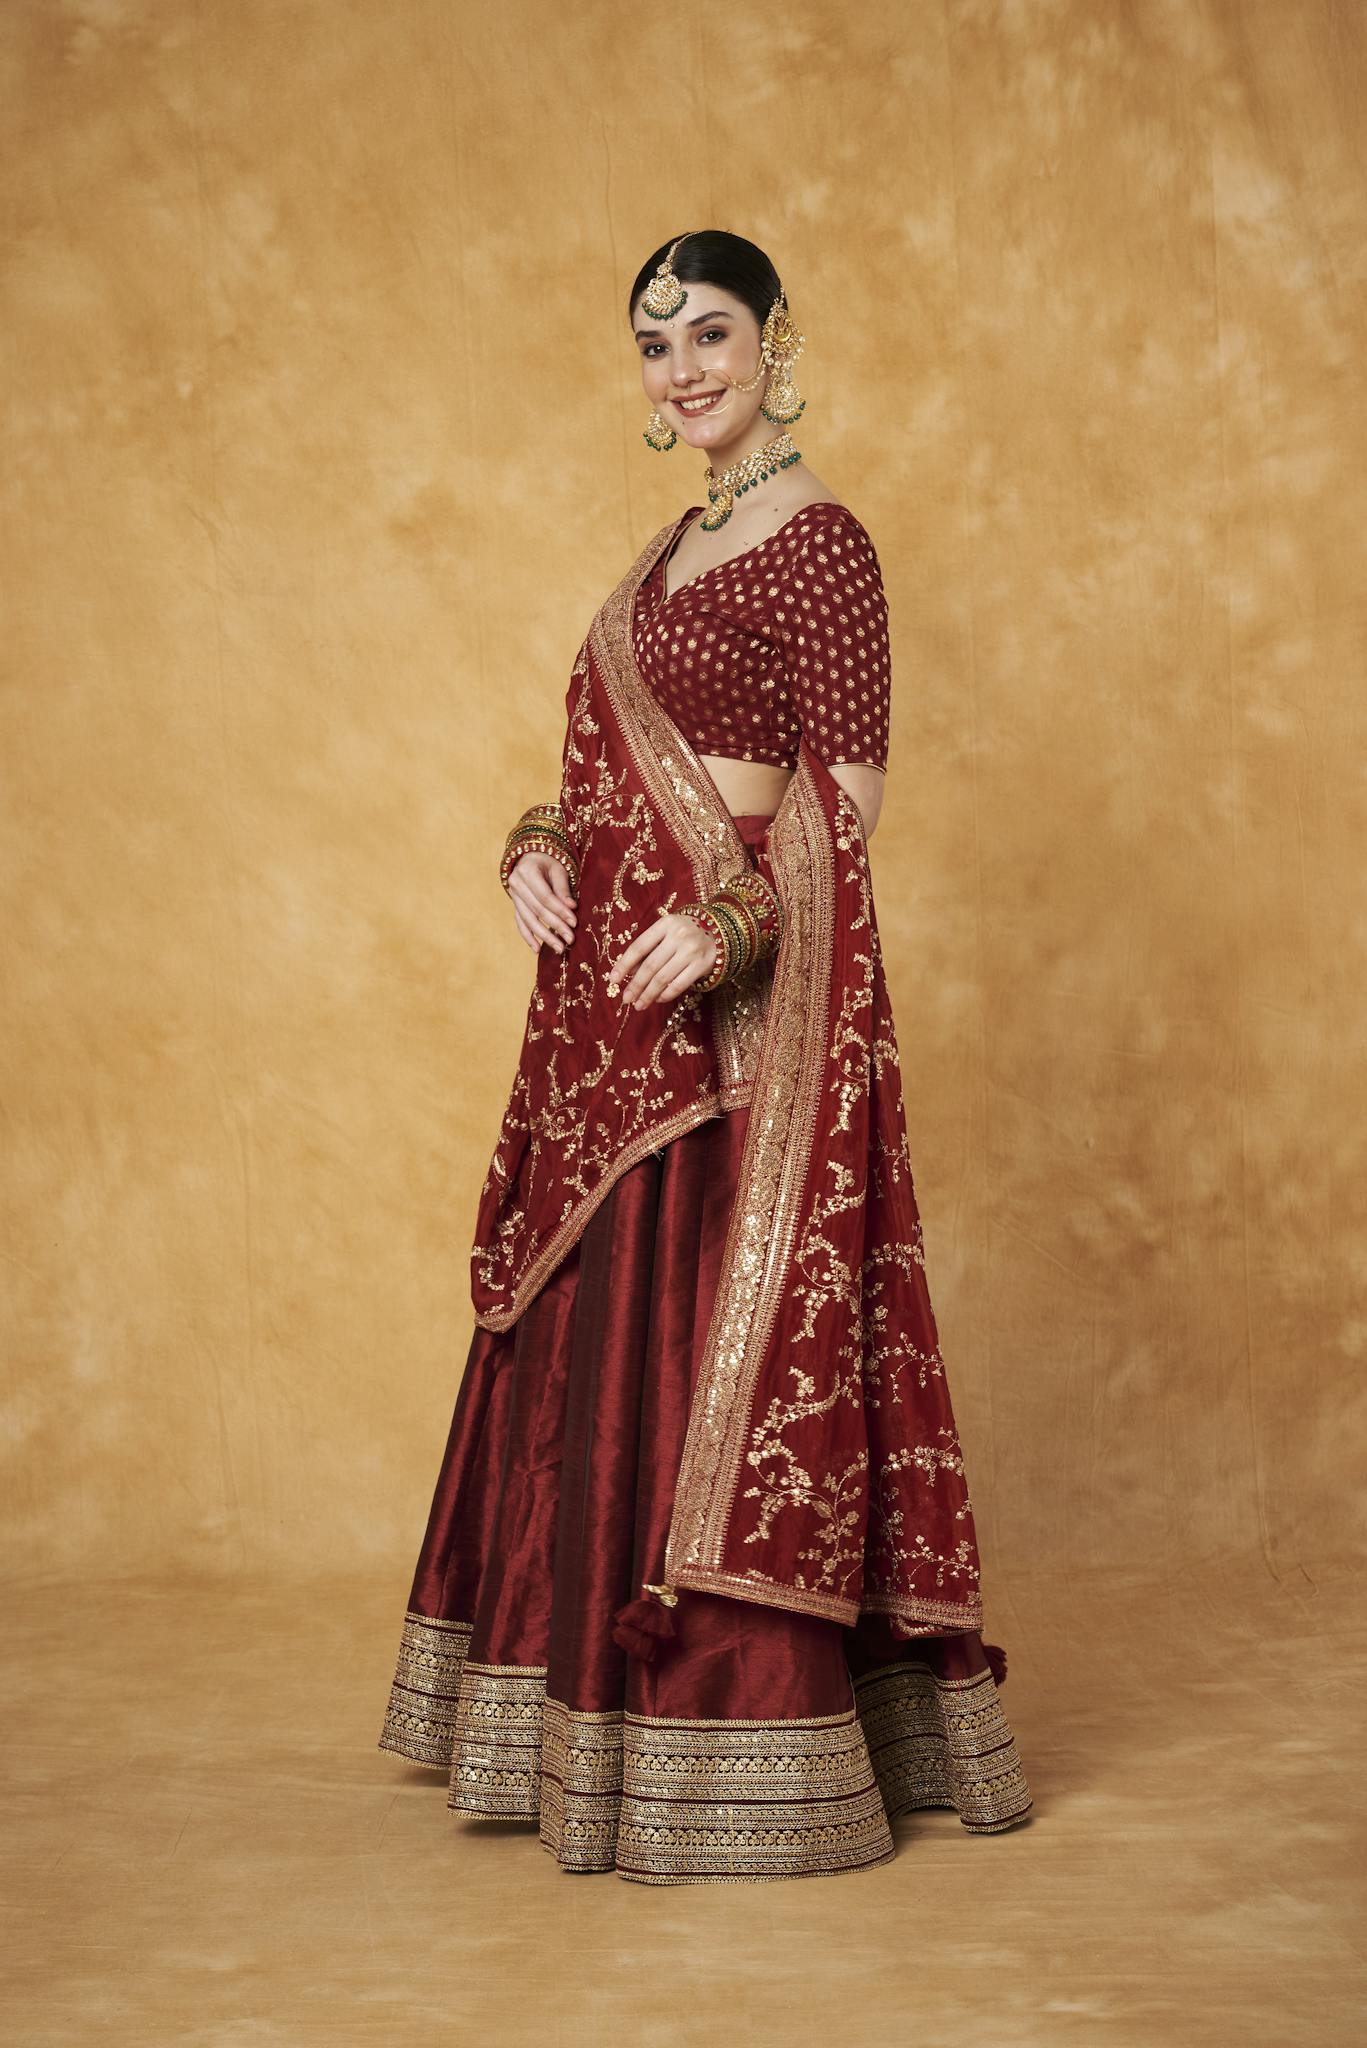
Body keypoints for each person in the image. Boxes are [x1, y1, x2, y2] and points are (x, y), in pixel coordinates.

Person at [378, 229, 1033, 1885]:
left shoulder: (825, 546)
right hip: (610, 1009)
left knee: (706, 1333)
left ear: (774, 341)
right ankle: (569, 1714)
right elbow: (587, 769)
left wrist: (736, 932)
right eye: (654, 345)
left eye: (711, 333)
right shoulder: (666, 551)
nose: (682, 369)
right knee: (598, 1354)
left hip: (736, 1020)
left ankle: (739, 1734)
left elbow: (847, 809)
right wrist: (534, 845)